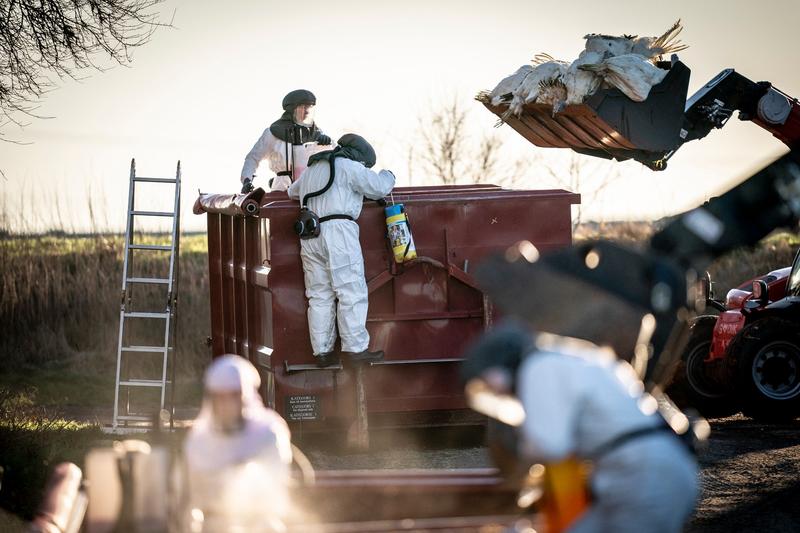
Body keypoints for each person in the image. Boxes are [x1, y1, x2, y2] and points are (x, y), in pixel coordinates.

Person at [462, 242, 699, 533]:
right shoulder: (566, 356)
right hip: (652, 472)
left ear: (498, 370)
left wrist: (521, 450)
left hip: (644, 479)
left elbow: (551, 446)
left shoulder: (538, 367)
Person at [287, 134, 395, 368]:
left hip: (310, 234)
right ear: (360, 157)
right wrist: (388, 174)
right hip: (339, 231)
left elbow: (291, 192)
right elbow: (378, 188)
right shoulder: (348, 166)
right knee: (351, 290)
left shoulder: (313, 169)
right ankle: (355, 350)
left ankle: (323, 352)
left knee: (319, 294)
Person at [184, 354, 293, 532]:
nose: (227, 404)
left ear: (245, 395)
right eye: (220, 397)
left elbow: (274, 486)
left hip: (259, 523)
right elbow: (191, 497)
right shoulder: (199, 439)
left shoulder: (267, 431)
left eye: (234, 395)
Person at [240, 89, 332, 193]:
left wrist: (327, 145)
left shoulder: (317, 133)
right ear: (292, 109)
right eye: (303, 107)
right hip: (282, 188)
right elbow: (253, 158)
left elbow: (334, 156)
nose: (306, 111)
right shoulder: (273, 133)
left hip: (311, 188)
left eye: (309, 107)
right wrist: (247, 180)